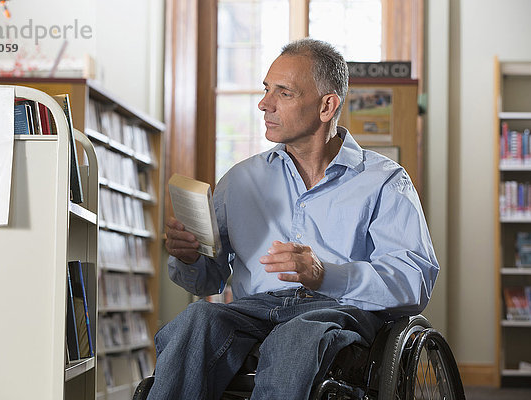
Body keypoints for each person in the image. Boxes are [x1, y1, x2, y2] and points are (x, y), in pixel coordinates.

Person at [148, 38, 439, 400]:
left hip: (337, 312)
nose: (263, 104)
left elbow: (414, 282)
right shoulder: (240, 180)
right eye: (265, 89)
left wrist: (325, 274)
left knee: (297, 338)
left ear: (326, 106)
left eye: (283, 93)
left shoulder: (383, 180)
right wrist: (191, 258)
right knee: (193, 323)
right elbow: (208, 279)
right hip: (252, 310)